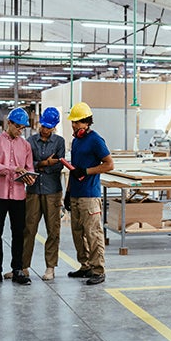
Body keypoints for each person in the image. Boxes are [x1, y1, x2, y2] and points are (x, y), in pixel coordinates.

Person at [0, 108, 36, 286]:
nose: (21, 130)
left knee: (18, 233)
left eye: (23, 128)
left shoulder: (26, 145)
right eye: (18, 127)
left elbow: (29, 168)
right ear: (9, 124)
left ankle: (18, 269)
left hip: (19, 196)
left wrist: (29, 176)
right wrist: (14, 169)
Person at [63, 102, 114, 285]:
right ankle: (85, 266)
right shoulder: (76, 141)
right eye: (73, 123)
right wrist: (68, 193)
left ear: (86, 122)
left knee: (92, 233)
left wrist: (86, 172)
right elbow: (73, 169)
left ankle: (98, 270)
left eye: (77, 122)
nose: (74, 126)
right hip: (76, 194)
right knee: (78, 233)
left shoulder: (95, 140)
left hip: (90, 195)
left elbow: (109, 164)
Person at [23, 107, 65, 281]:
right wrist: (45, 162)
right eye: (43, 126)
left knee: (53, 230)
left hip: (52, 191)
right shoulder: (30, 141)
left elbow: (59, 165)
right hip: (33, 191)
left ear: (54, 126)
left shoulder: (59, 142)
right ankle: (23, 267)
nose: (45, 130)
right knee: (28, 229)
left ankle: (50, 267)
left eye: (49, 127)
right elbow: (27, 165)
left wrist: (40, 165)